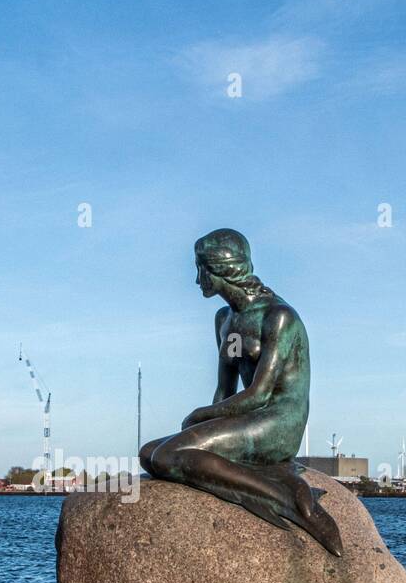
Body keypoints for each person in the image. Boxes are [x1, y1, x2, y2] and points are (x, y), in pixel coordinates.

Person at [139, 228, 343, 556]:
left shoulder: (278, 317)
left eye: (200, 270)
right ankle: (273, 478)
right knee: (150, 452)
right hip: (249, 415)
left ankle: (286, 496)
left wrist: (199, 417)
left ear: (221, 269)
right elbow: (225, 391)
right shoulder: (225, 320)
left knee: (166, 456)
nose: (197, 280)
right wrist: (199, 428)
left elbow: (261, 394)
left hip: (277, 420)